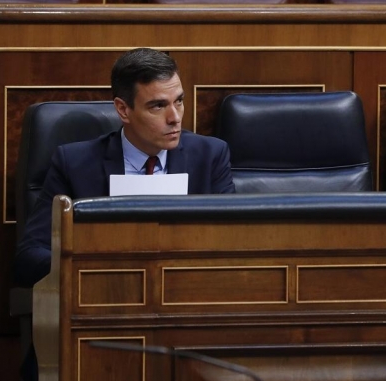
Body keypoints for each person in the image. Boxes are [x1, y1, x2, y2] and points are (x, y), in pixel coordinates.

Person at [14, 48, 235, 287]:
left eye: (178, 101)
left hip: (188, 293)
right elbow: (30, 256)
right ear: (123, 109)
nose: (175, 117)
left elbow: (235, 244)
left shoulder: (210, 156)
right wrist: (90, 268)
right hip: (104, 296)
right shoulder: (75, 163)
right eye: (158, 106)